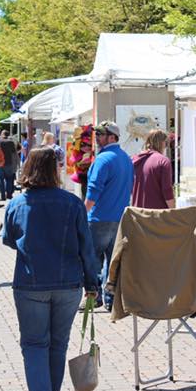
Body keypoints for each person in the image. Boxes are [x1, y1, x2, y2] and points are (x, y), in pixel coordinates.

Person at [3, 147, 99, 391]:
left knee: (34, 345)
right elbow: (86, 247)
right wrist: (92, 282)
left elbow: (9, 239)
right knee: (58, 345)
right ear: (54, 169)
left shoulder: (17, 203)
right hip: (68, 282)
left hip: (30, 281)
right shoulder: (72, 202)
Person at [84, 121, 133, 311]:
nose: (97, 137)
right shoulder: (126, 158)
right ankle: (110, 300)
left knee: (92, 261)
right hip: (119, 217)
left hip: (98, 219)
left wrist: (82, 214)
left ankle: (93, 298)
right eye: (97, 134)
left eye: (101, 134)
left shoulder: (103, 159)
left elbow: (93, 192)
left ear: (112, 137)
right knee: (113, 262)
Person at [131, 129, 175, 209]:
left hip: (138, 213)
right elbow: (167, 190)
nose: (165, 146)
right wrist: (173, 211)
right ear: (162, 143)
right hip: (156, 214)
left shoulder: (135, 160)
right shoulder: (163, 161)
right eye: (166, 143)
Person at [0, 130, 18, 201]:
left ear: (2, 134)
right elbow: (14, 153)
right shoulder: (11, 142)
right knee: (9, 179)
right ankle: (9, 195)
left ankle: (2, 196)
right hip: (9, 163)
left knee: (1, 180)